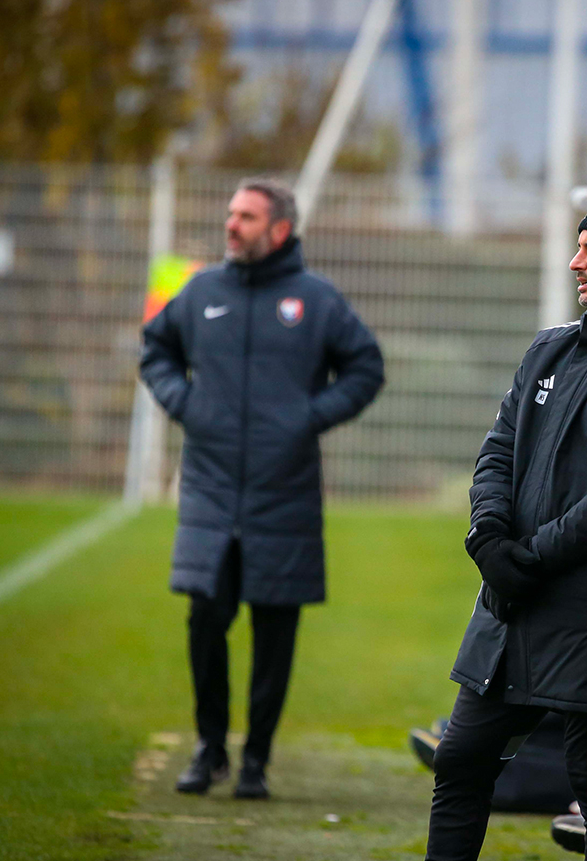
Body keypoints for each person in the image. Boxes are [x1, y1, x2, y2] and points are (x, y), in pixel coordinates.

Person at [426, 199, 587, 861]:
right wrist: (488, 537)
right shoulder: (549, 347)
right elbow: (497, 452)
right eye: (579, 247)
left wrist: (525, 557)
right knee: (460, 759)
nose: (577, 262)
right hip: (511, 598)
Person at [140, 177, 383, 799]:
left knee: (275, 633)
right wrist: (186, 405)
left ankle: (256, 761)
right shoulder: (200, 291)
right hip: (210, 493)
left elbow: (365, 366)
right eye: (230, 213)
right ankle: (210, 748)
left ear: (278, 230)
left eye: (245, 216)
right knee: (204, 619)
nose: (231, 224)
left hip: (285, 493)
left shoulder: (316, 299)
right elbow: (156, 350)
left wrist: (308, 416)